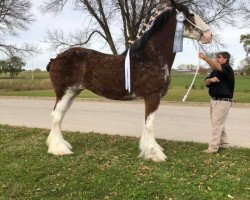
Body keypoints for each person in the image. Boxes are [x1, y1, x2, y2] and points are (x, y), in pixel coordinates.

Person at [199, 51, 235, 153]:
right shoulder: (214, 71)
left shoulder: (227, 68)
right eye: (216, 57)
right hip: (214, 100)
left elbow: (218, 67)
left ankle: (213, 148)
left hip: (223, 101)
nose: (217, 59)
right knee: (218, 124)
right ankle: (224, 144)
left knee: (217, 124)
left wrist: (205, 58)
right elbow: (206, 82)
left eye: (219, 57)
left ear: (225, 59)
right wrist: (211, 80)